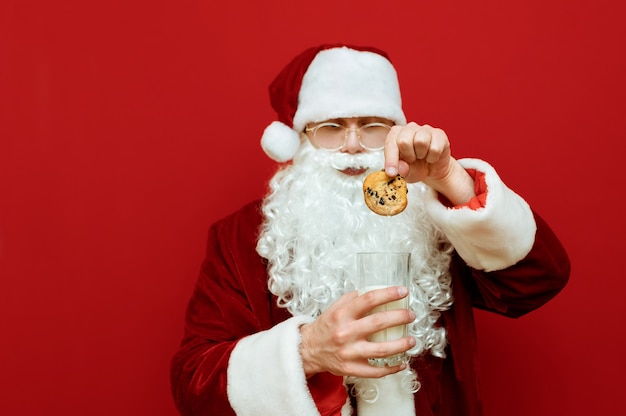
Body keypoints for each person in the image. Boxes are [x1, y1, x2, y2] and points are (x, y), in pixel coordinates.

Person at [170, 43, 570, 416]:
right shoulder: (240, 235)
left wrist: (451, 178)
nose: (353, 145)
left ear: (394, 133)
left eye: (373, 125)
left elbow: (537, 281)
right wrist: (306, 351)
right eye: (331, 127)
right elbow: (193, 383)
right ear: (299, 140)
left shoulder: (434, 215)